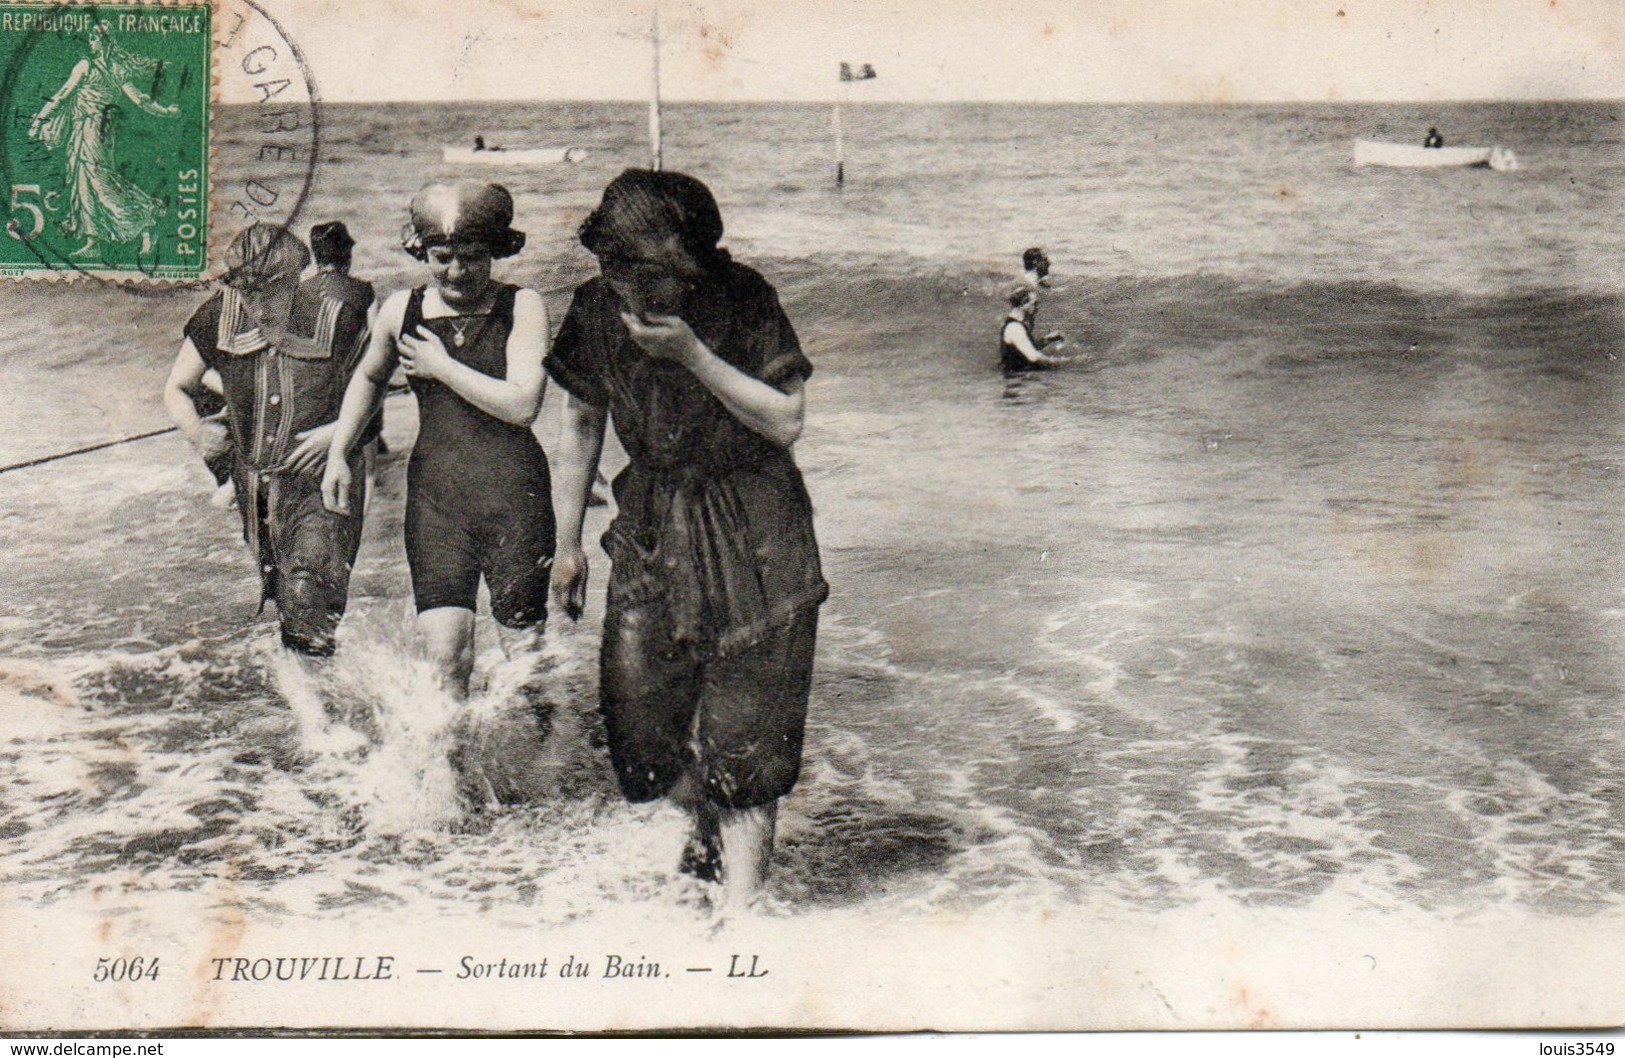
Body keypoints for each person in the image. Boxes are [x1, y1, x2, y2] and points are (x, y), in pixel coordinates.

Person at [547, 168, 828, 910]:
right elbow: (579, 423)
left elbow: (786, 420)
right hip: (651, 521)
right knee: (637, 736)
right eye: (611, 266)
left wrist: (691, 356)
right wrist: (568, 544)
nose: (624, 285)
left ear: (688, 263)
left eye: (641, 270)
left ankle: (740, 921)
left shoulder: (743, 298)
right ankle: (702, 819)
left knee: (747, 735)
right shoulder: (594, 308)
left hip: (754, 520)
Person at [321, 181, 553, 699]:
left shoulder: (523, 306)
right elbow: (369, 377)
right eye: (441, 256)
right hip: (436, 501)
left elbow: (522, 405)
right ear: (421, 251)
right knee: (446, 662)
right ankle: (452, 776)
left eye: (471, 257)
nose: (456, 271)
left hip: (515, 499)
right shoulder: (401, 309)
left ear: (495, 251)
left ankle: (537, 770)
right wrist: (339, 452)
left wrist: (441, 367)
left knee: (526, 661)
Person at [162, 225, 371, 657]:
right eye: (247, 293)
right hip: (256, 485)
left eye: (271, 292)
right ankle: (310, 694)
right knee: (282, 594)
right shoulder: (216, 317)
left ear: (299, 277)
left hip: (324, 478)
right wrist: (202, 439)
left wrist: (337, 436)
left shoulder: (339, 316)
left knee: (310, 589)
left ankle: (321, 707)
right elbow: (178, 388)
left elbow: (374, 386)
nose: (257, 307)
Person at [28, 23, 179, 259]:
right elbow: (141, 101)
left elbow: (62, 95)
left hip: (91, 130)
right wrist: (166, 111)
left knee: (99, 183)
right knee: (85, 183)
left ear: (104, 41)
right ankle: (93, 241)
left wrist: (39, 120)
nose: (90, 42)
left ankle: (145, 223)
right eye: (90, 37)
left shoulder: (85, 66)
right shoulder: (117, 68)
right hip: (98, 132)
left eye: (94, 37)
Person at [1001, 287, 1068, 375]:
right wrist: (1065, 362)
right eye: (1034, 304)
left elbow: (1025, 347)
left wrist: (1048, 339)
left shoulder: (1013, 323)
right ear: (1024, 305)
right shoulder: (1015, 327)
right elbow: (1034, 357)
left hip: (1020, 377)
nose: (1037, 308)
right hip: (1021, 381)